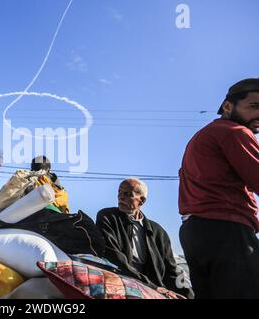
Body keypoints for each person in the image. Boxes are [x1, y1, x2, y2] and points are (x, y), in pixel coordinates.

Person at [178, 78, 259, 299]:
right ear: (227, 106)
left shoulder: (203, 135)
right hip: (227, 231)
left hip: (196, 232)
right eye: (254, 106)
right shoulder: (235, 132)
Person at [96, 178, 193, 298]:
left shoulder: (158, 232)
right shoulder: (108, 217)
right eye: (119, 192)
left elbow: (171, 270)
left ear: (141, 201)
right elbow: (114, 258)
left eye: (127, 194)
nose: (120, 197)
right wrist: (152, 287)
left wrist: (188, 296)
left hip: (154, 290)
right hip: (123, 282)